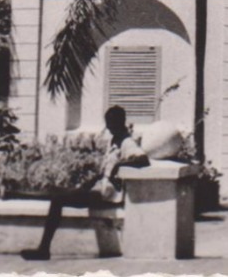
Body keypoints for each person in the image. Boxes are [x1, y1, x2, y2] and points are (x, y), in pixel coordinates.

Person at [20, 105, 148, 261]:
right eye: (107, 122)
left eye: (111, 122)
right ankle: (43, 248)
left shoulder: (127, 142)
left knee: (57, 199)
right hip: (99, 188)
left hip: (108, 194)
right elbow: (105, 170)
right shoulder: (115, 140)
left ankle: (43, 250)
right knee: (57, 191)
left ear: (120, 122)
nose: (108, 127)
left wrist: (120, 164)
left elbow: (142, 158)